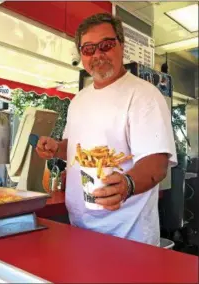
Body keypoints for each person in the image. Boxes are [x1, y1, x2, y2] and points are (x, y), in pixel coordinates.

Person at [36, 13, 177, 246]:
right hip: (80, 227)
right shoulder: (78, 101)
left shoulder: (143, 95)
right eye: (88, 49)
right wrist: (56, 148)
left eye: (106, 45)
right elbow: (75, 151)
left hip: (128, 235)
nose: (98, 54)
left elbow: (156, 162)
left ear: (121, 45)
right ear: (81, 55)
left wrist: (127, 185)